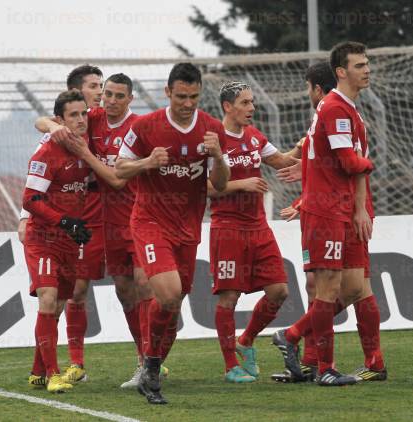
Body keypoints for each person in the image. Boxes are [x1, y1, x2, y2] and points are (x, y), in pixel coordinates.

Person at [115, 62, 230, 404]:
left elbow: (220, 185)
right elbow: (120, 168)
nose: (187, 103)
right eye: (181, 96)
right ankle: (150, 370)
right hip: (150, 223)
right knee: (168, 294)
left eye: (193, 96)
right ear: (168, 93)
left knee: (174, 304)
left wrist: (219, 156)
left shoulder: (211, 130)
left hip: (188, 228)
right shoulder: (146, 127)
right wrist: (146, 163)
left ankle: (150, 367)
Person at [271, 42, 376, 387]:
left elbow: (337, 162)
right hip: (326, 210)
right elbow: (349, 163)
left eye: (366, 63)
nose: (367, 69)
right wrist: (373, 164)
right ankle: (323, 367)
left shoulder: (347, 110)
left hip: (338, 208)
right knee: (328, 289)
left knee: (345, 288)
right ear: (341, 72)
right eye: (359, 65)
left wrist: (358, 204)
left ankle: (302, 346)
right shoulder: (334, 109)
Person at [50, 73, 162, 388]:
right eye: (107, 94)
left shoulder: (140, 127)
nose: (109, 100)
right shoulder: (94, 119)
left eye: (117, 95)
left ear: (130, 99)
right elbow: (44, 121)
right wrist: (53, 126)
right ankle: (137, 359)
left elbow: (117, 179)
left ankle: (151, 358)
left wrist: (87, 155)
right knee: (123, 290)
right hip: (107, 221)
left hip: (141, 217)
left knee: (144, 286)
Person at [30, 64, 118, 384]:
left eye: (102, 86)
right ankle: (72, 364)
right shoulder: (66, 127)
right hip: (79, 217)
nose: (101, 92)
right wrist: (27, 217)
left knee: (132, 285)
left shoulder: (103, 117)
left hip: (112, 213)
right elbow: (42, 124)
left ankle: (147, 360)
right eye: (95, 86)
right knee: (70, 293)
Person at [208, 81, 300, 383]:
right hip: (228, 229)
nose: (252, 108)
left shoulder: (255, 137)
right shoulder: (212, 141)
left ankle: (245, 340)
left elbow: (283, 161)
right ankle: (228, 365)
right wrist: (240, 184)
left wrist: (306, 150)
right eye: (245, 103)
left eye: (252, 103)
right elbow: (203, 188)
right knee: (229, 299)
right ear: (228, 107)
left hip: (259, 227)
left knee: (279, 291)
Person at [22, 89, 92, 393]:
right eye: (73, 115)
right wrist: (64, 221)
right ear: (59, 120)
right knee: (48, 299)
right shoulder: (47, 152)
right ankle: (53, 374)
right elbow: (30, 199)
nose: (80, 120)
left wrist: (78, 226)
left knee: (59, 305)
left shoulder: (85, 148)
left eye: (83, 114)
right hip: (44, 238)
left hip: (68, 241)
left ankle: (37, 370)